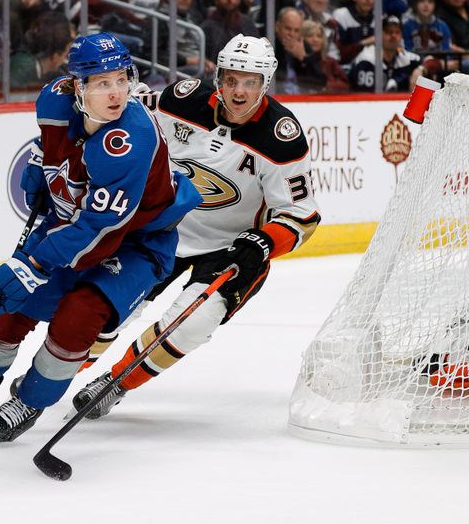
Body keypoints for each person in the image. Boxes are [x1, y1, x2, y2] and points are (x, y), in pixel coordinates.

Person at [0, 32, 202, 444]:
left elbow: (97, 230)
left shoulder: (130, 140)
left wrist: (32, 264)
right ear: (76, 86)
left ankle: (30, 400)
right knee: (11, 305)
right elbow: (55, 144)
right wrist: (41, 162)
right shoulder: (53, 99)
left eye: (122, 79)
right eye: (103, 83)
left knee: (79, 313)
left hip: (136, 242)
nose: (117, 92)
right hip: (76, 228)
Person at [69, 35, 321, 420]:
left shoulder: (281, 136)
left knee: (193, 322)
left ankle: (116, 384)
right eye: (232, 79)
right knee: (105, 306)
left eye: (250, 82)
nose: (239, 91)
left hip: (230, 249)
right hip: (163, 231)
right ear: (217, 75)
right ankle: (59, 371)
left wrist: (263, 242)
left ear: (265, 84)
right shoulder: (181, 100)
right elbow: (130, 112)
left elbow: (301, 215)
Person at [348, 15, 423, 92]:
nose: (393, 36)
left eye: (397, 32)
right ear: (379, 35)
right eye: (389, 32)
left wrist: (420, 69)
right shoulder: (367, 59)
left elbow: (429, 61)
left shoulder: (404, 56)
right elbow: (365, 97)